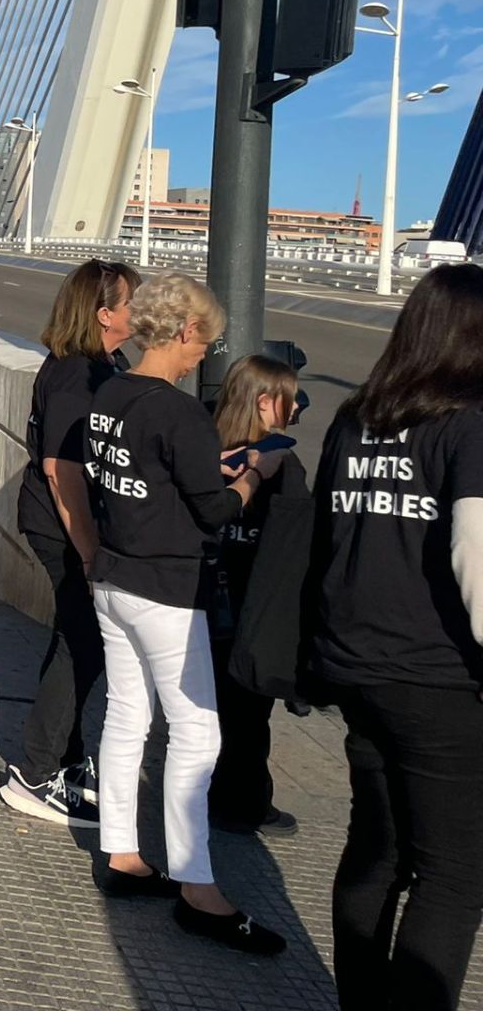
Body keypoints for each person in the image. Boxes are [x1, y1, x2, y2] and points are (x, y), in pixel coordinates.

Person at [86, 273, 286, 956]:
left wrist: (212, 466)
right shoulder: (178, 413)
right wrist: (253, 472)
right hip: (166, 589)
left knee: (127, 717)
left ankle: (122, 855)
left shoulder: (110, 392)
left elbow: (139, 475)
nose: (209, 352)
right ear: (182, 333)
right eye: (207, 338)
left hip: (113, 575)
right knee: (197, 735)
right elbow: (213, 509)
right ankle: (198, 889)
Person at [312, 265, 483, 1011]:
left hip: (355, 664)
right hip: (437, 677)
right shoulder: (469, 424)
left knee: (378, 850)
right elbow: (476, 557)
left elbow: (326, 537)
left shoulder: (358, 419)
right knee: (452, 873)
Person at [0, 258, 140, 827]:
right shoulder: (76, 375)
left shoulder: (107, 365)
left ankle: (66, 760)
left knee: (80, 638)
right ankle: (34, 775)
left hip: (77, 524)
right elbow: (62, 470)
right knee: (82, 638)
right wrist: (87, 550)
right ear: (104, 314)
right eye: (132, 301)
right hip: (63, 525)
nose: (141, 310)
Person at [208, 355, 305, 838]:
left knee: (209, 711)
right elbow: (295, 551)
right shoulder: (281, 465)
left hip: (200, 602)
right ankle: (244, 803)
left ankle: (209, 792)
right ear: (267, 403)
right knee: (248, 718)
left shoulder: (206, 445)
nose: (294, 409)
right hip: (253, 612)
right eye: (289, 399)